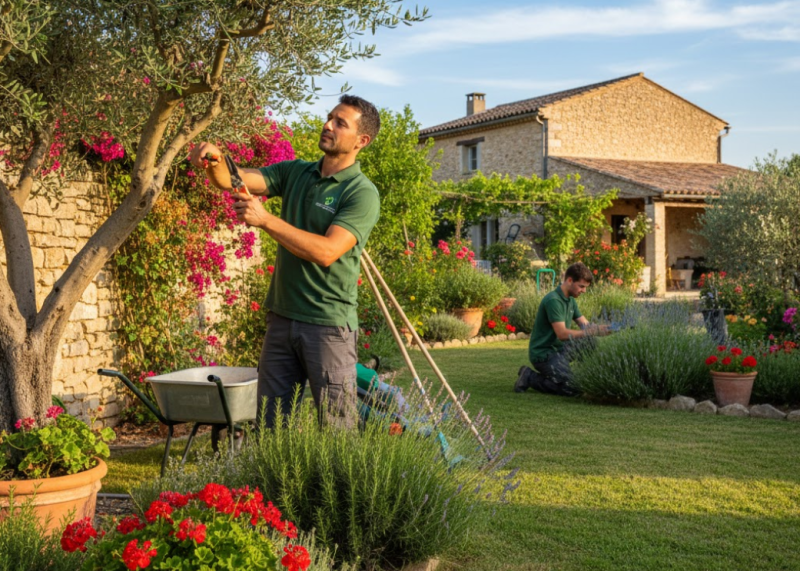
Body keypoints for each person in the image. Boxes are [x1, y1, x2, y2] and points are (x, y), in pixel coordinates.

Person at [189, 94, 381, 430]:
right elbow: (233, 179)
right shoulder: (296, 172)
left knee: (337, 430)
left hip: (328, 326)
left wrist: (265, 220)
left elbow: (326, 252)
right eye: (329, 117)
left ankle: (335, 485)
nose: (327, 125)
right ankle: (272, 485)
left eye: (340, 123)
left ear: (361, 140)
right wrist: (214, 157)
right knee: (270, 426)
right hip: (282, 320)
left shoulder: (360, 192)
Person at [514, 262, 610, 396]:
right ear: (570, 280)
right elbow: (562, 334)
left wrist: (607, 328)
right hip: (544, 355)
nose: (584, 291)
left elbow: (586, 326)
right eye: (581, 286)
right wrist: (589, 331)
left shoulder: (570, 300)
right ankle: (529, 377)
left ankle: (575, 373)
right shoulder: (553, 301)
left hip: (559, 350)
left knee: (590, 342)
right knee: (574, 388)